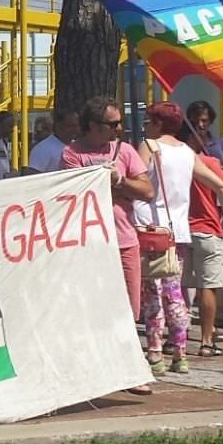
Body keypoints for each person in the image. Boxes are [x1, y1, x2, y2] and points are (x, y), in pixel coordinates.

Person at [132, 102, 223, 374]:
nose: (145, 126)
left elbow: (136, 182)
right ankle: (180, 352)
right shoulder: (187, 152)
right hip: (177, 231)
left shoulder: (150, 147)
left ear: (157, 123)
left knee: (152, 293)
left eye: (147, 121)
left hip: (150, 229)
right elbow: (221, 184)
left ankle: (155, 352)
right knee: (174, 292)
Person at [62, 96, 156, 392]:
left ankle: (130, 369)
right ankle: (94, 370)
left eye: (120, 123)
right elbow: (70, 192)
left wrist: (120, 181)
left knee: (129, 310)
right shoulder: (71, 154)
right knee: (90, 308)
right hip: (88, 244)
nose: (119, 129)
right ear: (93, 126)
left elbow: (148, 191)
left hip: (124, 240)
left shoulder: (126, 151)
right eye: (112, 124)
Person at [182, 117, 223, 358]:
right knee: (208, 287)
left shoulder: (170, 162)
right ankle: (206, 339)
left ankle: (177, 336)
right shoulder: (209, 162)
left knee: (180, 286)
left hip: (181, 230)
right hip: (207, 229)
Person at [28, 109, 78, 174]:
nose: (75, 129)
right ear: (58, 126)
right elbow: (33, 178)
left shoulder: (78, 146)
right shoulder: (42, 149)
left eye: (77, 126)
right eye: (70, 126)